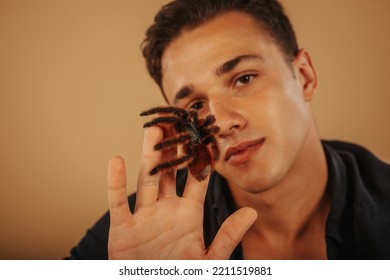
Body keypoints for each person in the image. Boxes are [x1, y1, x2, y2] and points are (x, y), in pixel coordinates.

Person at [66, 0, 390, 259]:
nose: (221, 123)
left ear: (304, 76)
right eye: (195, 106)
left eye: (244, 79)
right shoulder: (143, 231)